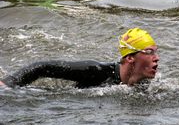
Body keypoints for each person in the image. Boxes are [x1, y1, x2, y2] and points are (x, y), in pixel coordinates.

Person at [0, 27, 159, 88]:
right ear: (130, 58)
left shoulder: (145, 86)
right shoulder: (95, 71)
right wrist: (8, 84)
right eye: (149, 52)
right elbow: (42, 67)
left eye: (156, 52)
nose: (156, 58)